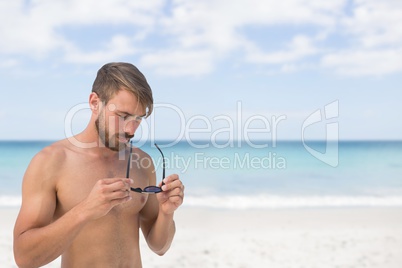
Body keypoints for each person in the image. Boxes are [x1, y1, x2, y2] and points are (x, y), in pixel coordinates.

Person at [13, 62, 185, 268]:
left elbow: (160, 247)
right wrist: (85, 210)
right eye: (123, 116)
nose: (131, 130)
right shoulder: (51, 162)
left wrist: (167, 212)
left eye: (138, 119)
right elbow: (24, 258)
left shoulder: (142, 162)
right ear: (95, 102)